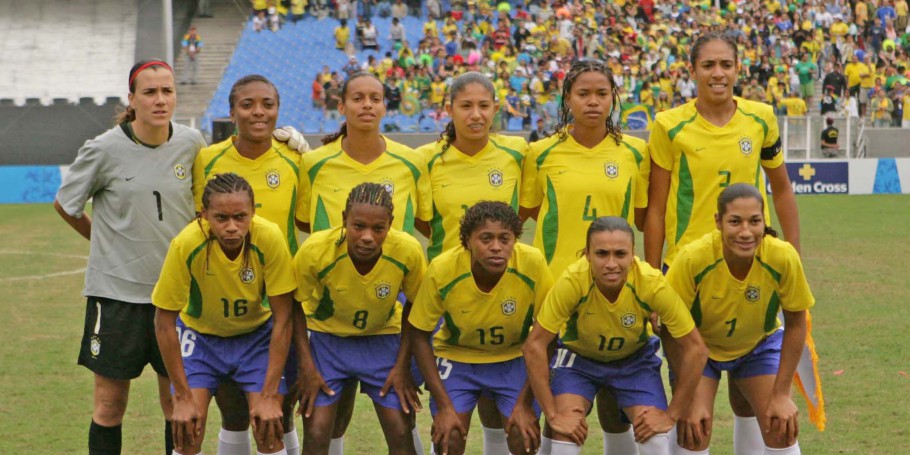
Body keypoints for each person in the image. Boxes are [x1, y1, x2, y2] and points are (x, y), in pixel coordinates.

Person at [645, 32, 809, 454]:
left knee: (754, 403)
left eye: (726, 65)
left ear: (738, 68)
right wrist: (650, 279)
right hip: (689, 275)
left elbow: (783, 189)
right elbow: (657, 207)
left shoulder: (760, 118)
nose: (718, 73)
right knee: (692, 422)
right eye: (708, 65)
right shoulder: (668, 124)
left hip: (750, 262)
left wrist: (792, 251)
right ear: (693, 71)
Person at [54, 59, 205, 455]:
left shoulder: (192, 143)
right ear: (132, 99)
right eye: (150, 92)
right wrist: (103, 242)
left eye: (167, 91)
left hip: (175, 299)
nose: (160, 100)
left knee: (178, 404)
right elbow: (66, 204)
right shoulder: (103, 149)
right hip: (116, 297)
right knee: (109, 405)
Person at [519, 58, 651, 454]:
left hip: (616, 287)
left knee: (615, 403)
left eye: (601, 93)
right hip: (554, 291)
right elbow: (523, 217)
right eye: (583, 94)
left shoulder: (635, 152)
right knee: (555, 404)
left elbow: (642, 218)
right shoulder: (540, 154)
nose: (593, 102)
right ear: (567, 99)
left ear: (613, 99)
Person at [295, 71, 431, 454]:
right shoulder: (314, 163)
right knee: (328, 419)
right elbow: (304, 221)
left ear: (386, 105)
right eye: (358, 98)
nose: (367, 104)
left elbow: (423, 221)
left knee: (399, 415)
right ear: (341, 106)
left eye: (376, 97)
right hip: (330, 309)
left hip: (387, 307)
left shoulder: (412, 161)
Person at [192, 74, 309, 455]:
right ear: (231, 112)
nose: (258, 112)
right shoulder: (208, 159)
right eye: (248, 105)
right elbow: (198, 223)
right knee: (234, 410)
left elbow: (306, 223)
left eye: (267, 104)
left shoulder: (294, 159)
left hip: (280, 302)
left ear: (278, 110)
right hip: (226, 302)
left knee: (280, 405)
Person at [522, 216, 708, 455]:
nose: (611, 263)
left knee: (654, 434)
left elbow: (697, 349)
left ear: (633, 255)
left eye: (620, 254)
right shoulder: (572, 281)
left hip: (634, 361)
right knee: (566, 429)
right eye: (602, 254)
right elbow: (534, 345)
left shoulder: (651, 283)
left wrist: (671, 415)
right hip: (578, 361)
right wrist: (553, 414)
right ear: (587, 254)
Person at [416, 71, 530, 454]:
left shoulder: (518, 152)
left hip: (506, 288)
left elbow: (525, 210)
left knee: (504, 415)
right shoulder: (426, 160)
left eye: (484, 105)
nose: (476, 114)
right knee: (454, 420)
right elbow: (423, 219)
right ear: (449, 109)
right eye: (466, 106)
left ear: (497, 108)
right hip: (451, 293)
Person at [152, 173, 297, 455]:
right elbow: (164, 322)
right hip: (200, 339)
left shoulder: (268, 237)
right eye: (221, 218)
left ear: (253, 212)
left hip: (256, 338)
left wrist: (269, 396)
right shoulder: (186, 244)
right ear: (204, 214)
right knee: (187, 429)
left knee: (268, 426)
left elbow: (283, 318)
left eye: (240, 216)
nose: (232, 227)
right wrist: (181, 397)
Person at [666, 183, 815, 455]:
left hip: (758, 345)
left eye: (754, 221)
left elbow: (796, 322)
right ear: (718, 222)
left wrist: (781, 394)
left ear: (763, 222)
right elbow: (669, 328)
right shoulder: (691, 259)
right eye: (735, 222)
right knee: (694, 430)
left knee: (780, 426)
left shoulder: (782, 257)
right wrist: (686, 396)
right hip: (700, 350)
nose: (745, 232)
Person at [409, 201, 554, 455]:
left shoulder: (532, 263)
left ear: (516, 240)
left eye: (505, 239)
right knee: (449, 436)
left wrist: (524, 403)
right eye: (485, 238)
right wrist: (444, 406)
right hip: (457, 358)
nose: (496, 247)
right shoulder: (443, 269)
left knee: (525, 436)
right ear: (467, 241)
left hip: (514, 358)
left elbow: (549, 336)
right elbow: (419, 334)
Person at [292, 182, 426, 454]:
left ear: (390, 224)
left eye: (378, 229)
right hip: (328, 341)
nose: (367, 237)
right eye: (358, 226)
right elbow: (294, 306)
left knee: (401, 431)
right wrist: (306, 365)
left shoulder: (407, 251)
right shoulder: (316, 250)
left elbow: (415, 306)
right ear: (344, 219)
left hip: (383, 340)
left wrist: (402, 366)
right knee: (316, 432)